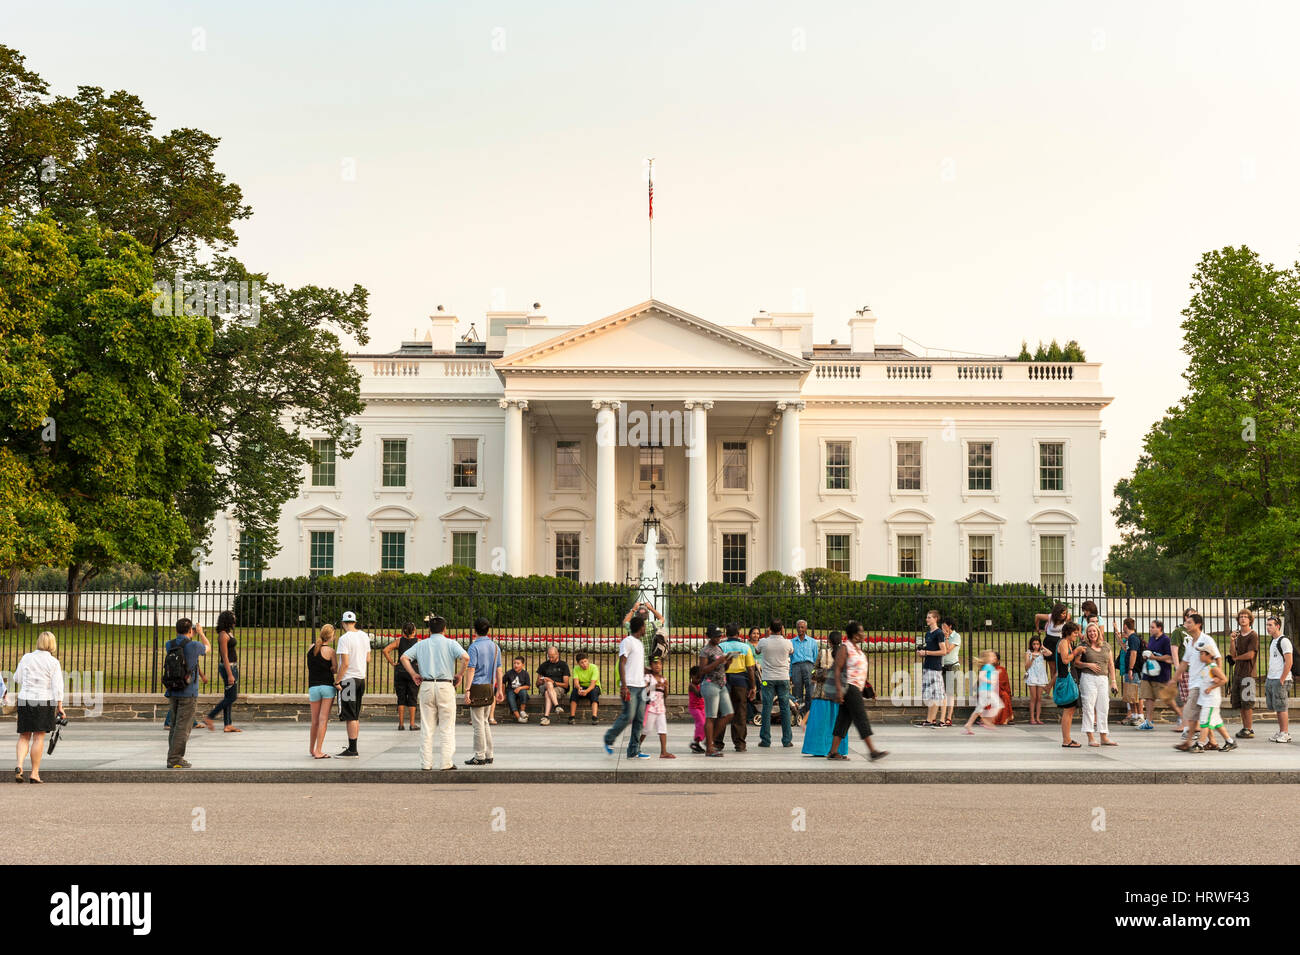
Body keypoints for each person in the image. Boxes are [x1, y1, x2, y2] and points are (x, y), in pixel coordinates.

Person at [400, 614, 468, 771]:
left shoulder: (421, 644)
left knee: (427, 726)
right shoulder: (451, 643)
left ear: (429, 629)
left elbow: (404, 658)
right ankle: (446, 762)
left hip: (427, 685)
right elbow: (466, 657)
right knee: (447, 726)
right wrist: (460, 674)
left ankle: (426, 763)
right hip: (445, 685)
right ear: (444, 629)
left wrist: (414, 674)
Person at [827, 622, 887, 761]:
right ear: (854, 634)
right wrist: (838, 690)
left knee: (844, 719)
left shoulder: (857, 649)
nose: (864, 634)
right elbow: (837, 669)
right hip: (849, 688)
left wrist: (868, 689)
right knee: (861, 718)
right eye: (861, 632)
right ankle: (872, 751)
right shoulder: (845, 648)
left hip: (856, 688)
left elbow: (860, 671)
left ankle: (833, 752)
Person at [12, 631, 66, 783]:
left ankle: (19, 766)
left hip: (25, 700)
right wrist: (60, 706)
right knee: (39, 737)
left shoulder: (26, 658)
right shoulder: (53, 663)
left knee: (24, 735)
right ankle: (34, 773)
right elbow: (57, 687)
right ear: (52, 644)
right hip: (44, 701)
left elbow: (17, 678)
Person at [163, 618, 212, 769]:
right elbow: (208, 647)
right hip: (188, 692)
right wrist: (201, 633)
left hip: (172, 689)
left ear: (176, 630)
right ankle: (175, 759)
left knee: (175, 725)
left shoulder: (169, 644)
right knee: (183, 727)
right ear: (191, 630)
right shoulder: (194, 645)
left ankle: (172, 755)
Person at [603, 612, 650, 759]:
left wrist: (652, 671)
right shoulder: (627, 641)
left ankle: (634, 750)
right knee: (628, 715)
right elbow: (622, 663)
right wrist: (623, 686)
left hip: (641, 686)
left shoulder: (640, 644)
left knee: (639, 720)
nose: (645, 630)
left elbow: (639, 666)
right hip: (629, 686)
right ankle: (609, 738)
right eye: (644, 627)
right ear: (640, 628)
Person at [1176, 639, 1236, 753]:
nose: (1200, 655)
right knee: (1217, 723)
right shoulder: (1206, 667)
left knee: (1204, 722)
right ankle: (1230, 741)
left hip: (1211, 701)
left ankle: (1200, 744)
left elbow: (1224, 679)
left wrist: (1211, 687)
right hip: (1205, 700)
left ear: (1209, 655)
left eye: (1202, 653)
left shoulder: (1213, 667)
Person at [1174, 614, 1219, 746]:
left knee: (1191, 714)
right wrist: (1174, 678)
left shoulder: (1207, 640)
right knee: (1202, 716)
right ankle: (1213, 741)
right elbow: (1184, 662)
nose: (1186, 625)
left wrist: (1217, 676)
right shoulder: (1191, 642)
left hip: (1202, 683)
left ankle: (1189, 742)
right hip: (1194, 683)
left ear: (1198, 624)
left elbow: (1217, 657)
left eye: (1189, 623)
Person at [801, 631, 848, 758]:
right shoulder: (843, 655)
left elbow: (813, 671)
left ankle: (820, 749)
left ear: (829, 641)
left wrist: (822, 673)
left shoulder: (824, 653)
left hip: (822, 694)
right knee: (837, 724)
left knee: (820, 724)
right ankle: (837, 749)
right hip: (838, 695)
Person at [464, 617, 503, 766]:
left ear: (475, 630)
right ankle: (489, 753)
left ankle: (479, 755)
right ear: (488, 630)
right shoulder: (495, 647)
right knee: (485, 721)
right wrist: (499, 688)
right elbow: (499, 669)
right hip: (489, 686)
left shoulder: (474, 647)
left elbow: (471, 668)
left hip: (477, 686)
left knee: (478, 723)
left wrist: (467, 689)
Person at [333, 610, 371, 758]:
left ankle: (352, 749)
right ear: (355, 622)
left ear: (343, 623)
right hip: (361, 678)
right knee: (355, 714)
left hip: (349, 680)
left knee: (350, 716)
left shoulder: (344, 638)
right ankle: (352, 746)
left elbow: (345, 663)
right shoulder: (364, 636)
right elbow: (368, 659)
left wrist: (337, 680)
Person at [1077, 622, 1118, 747]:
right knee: (1089, 707)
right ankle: (1090, 737)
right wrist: (1088, 665)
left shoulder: (1106, 646)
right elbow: (1076, 663)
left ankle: (1104, 736)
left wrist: (1114, 681)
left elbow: (1111, 664)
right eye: (1089, 631)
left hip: (1103, 679)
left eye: (1094, 631)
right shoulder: (1083, 646)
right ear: (1086, 634)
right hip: (1088, 678)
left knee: (1103, 707)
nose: (1092, 633)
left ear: (1098, 632)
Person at [717, 624, 756, 751]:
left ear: (726, 633)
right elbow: (750, 668)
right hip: (741, 682)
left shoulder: (720, 647)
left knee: (722, 712)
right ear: (738, 632)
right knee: (740, 712)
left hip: (724, 681)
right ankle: (740, 743)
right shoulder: (745, 647)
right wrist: (753, 686)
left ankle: (717, 743)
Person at [757, 618, 794, 748]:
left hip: (767, 679)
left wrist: (767, 637)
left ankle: (766, 740)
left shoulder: (763, 642)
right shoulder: (787, 642)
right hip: (783, 678)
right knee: (785, 708)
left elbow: (757, 651)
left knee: (767, 707)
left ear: (770, 629)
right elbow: (792, 652)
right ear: (782, 629)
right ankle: (787, 740)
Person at [697, 625, 733, 757]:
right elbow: (703, 670)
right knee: (711, 717)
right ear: (709, 636)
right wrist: (719, 662)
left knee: (728, 714)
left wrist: (727, 662)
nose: (719, 638)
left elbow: (724, 669)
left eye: (719, 635)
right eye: (716, 636)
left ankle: (709, 741)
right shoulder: (705, 651)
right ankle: (709, 748)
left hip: (721, 684)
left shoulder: (719, 648)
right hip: (710, 685)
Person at [1137, 619, 1179, 730]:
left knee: (1168, 699)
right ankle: (1148, 721)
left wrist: (1155, 657)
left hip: (1161, 674)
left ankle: (1182, 716)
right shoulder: (1151, 639)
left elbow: (1169, 657)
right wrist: (1147, 656)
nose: (1150, 629)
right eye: (1150, 627)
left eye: (1152, 627)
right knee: (1148, 697)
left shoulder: (1166, 640)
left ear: (1159, 628)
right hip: (1149, 672)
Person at [204, 610, 241, 733]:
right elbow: (224, 656)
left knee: (228, 696)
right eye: (233, 618)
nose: (235, 620)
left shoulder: (228, 633)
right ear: (228, 620)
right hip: (228, 668)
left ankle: (228, 725)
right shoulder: (223, 635)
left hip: (233, 666)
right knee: (232, 697)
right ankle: (210, 717)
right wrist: (230, 673)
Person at [382, 622, 421, 731]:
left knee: (401, 698)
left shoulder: (399, 641)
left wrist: (393, 662)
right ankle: (412, 724)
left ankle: (401, 724)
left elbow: (385, 650)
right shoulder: (418, 642)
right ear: (414, 631)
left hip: (400, 670)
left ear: (403, 631)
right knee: (412, 697)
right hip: (413, 670)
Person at [1228, 609, 1259, 739]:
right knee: (1240, 702)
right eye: (1241, 617)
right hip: (1238, 673)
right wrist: (1231, 640)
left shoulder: (1253, 635)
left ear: (1250, 620)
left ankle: (1249, 728)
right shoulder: (1238, 635)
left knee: (1247, 702)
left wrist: (1236, 659)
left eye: (1246, 617)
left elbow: (1251, 654)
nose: (1243, 619)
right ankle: (1245, 727)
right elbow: (1233, 654)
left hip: (1248, 674)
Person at [306, 624, 336, 759]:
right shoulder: (331, 651)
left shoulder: (311, 648)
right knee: (323, 720)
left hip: (313, 687)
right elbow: (335, 669)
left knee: (314, 721)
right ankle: (319, 750)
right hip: (327, 687)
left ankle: (312, 749)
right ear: (331, 636)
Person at [916, 609, 949, 726]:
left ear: (935, 619)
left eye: (929, 617)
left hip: (935, 667)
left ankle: (937, 720)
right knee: (930, 695)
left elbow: (943, 651)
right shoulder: (928, 633)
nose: (927, 619)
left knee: (936, 695)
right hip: (927, 666)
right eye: (927, 617)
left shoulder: (938, 633)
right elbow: (929, 650)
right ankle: (929, 719)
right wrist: (922, 652)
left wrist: (926, 653)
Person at [1264, 615, 1292, 743]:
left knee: (1282, 707)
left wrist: (1282, 679)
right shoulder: (1273, 641)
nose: (1268, 627)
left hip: (1281, 679)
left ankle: (1285, 733)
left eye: (1271, 625)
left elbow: (1289, 662)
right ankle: (1281, 731)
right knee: (1277, 707)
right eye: (1267, 625)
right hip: (1272, 678)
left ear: (1278, 626)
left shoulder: (1284, 641)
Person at [1055, 621, 1082, 748]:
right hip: (1066, 679)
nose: (1077, 635)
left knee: (1070, 710)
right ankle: (1066, 740)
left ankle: (1068, 738)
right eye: (1075, 633)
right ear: (1068, 633)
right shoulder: (1064, 642)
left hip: (1069, 677)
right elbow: (1065, 660)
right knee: (1068, 710)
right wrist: (1076, 651)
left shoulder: (1067, 643)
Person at [640, 658, 674, 758]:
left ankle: (663, 751)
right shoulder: (648, 677)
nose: (657, 666)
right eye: (655, 664)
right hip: (651, 708)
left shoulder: (663, 678)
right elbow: (644, 691)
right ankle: (636, 746)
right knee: (646, 729)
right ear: (651, 665)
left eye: (659, 664)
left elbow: (665, 695)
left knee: (663, 729)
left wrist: (666, 687)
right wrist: (654, 686)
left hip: (660, 708)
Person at [963, 649, 1001, 734]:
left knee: (979, 709)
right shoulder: (987, 666)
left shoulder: (990, 667)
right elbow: (981, 677)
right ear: (987, 658)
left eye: (994, 656)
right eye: (992, 656)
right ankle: (986, 720)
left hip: (987, 691)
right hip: (985, 691)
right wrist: (990, 681)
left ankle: (969, 724)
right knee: (997, 705)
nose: (994, 657)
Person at [789, 619, 818, 724]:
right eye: (798, 627)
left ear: (806, 628)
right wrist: (790, 674)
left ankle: (809, 716)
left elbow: (815, 658)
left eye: (802, 627)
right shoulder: (791, 642)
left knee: (810, 692)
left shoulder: (812, 642)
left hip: (809, 666)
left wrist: (814, 672)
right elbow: (790, 659)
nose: (800, 629)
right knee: (797, 692)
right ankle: (798, 716)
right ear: (796, 628)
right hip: (796, 667)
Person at [1116, 618, 1144, 726]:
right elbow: (1124, 648)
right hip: (1130, 670)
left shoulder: (1133, 638)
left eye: (1123, 626)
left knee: (1136, 693)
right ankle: (1134, 715)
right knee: (1131, 693)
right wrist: (1117, 634)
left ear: (1125, 626)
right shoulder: (1130, 638)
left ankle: (1140, 716)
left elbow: (1133, 653)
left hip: (1134, 670)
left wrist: (1131, 669)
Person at [536, 645, 571, 725]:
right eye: (549, 657)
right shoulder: (544, 665)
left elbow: (566, 685)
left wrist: (553, 682)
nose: (550, 659)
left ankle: (546, 717)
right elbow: (537, 684)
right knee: (548, 684)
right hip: (544, 687)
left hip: (559, 688)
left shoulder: (563, 665)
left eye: (552, 657)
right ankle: (557, 706)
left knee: (547, 692)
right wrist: (540, 681)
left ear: (557, 654)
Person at [1035, 603, 1070, 683]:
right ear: (1057, 613)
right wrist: (1037, 629)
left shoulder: (1067, 617)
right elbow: (1037, 616)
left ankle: (1059, 689)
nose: (1065, 615)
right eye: (1063, 613)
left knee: (1061, 667)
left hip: (1060, 643)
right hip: (1050, 643)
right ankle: (1054, 691)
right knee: (1052, 668)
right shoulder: (1050, 617)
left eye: (1065, 613)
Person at [939, 616, 962, 726]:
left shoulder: (956, 636)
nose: (942, 628)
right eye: (941, 626)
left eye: (944, 626)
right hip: (942, 666)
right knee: (942, 693)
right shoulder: (941, 636)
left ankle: (949, 717)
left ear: (950, 626)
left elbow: (947, 650)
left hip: (952, 667)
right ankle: (941, 717)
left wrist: (947, 637)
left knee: (950, 694)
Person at [569, 650, 601, 724]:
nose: (584, 664)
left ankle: (594, 717)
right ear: (578, 664)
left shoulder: (594, 668)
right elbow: (576, 682)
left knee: (594, 693)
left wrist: (586, 691)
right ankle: (572, 717)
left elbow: (593, 684)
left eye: (585, 661)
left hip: (593, 686)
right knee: (574, 692)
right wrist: (578, 688)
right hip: (582, 686)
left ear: (588, 660)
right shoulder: (576, 669)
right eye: (582, 662)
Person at [1025, 636, 1049, 724]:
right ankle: (1032, 718)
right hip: (1032, 676)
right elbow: (1026, 667)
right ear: (1031, 644)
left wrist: (1043, 647)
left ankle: (1038, 718)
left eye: (1037, 644)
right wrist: (1032, 659)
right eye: (1034, 644)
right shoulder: (1028, 653)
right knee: (1033, 698)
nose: (1036, 646)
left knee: (1039, 698)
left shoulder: (1042, 652)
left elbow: (1050, 653)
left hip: (1041, 676)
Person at [746, 626, 765, 726]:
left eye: (758, 633)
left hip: (763, 674)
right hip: (751, 673)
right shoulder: (746, 645)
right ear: (750, 635)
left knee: (763, 689)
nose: (756, 635)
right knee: (751, 692)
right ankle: (750, 715)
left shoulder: (762, 644)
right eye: (754, 633)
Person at [504, 657, 531, 722]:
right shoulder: (509, 673)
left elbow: (528, 686)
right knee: (511, 699)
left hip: (521, 690)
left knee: (524, 692)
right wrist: (502, 693)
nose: (515, 665)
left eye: (518, 663)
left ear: (523, 665)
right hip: (511, 690)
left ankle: (522, 711)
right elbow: (503, 682)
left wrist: (520, 688)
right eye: (514, 663)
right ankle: (519, 718)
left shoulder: (525, 673)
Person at [687, 666, 707, 753]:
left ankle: (701, 742)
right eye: (697, 677)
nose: (699, 680)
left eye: (700, 677)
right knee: (701, 724)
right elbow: (699, 694)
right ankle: (696, 741)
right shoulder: (691, 685)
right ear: (691, 676)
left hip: (702, 708)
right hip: (694, 708)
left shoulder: (700, 684)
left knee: (706, 724)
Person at [992, 650, 1014, 724]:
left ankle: (1007, 718)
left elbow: (1006, 683)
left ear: (998, 660)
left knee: (1005, 695)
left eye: (994, 658)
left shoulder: (1002, 669)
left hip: (1000, 691)